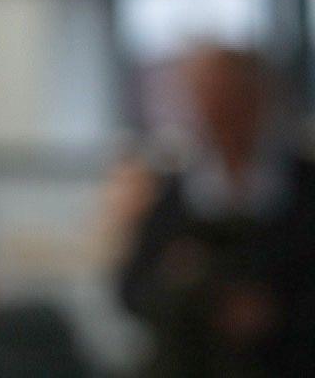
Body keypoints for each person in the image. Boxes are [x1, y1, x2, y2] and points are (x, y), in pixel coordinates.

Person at [119, 45, 315, 377]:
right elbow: (132, 290)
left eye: (231, 97)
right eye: (207, 98)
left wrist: (274, 312)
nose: (218, 111)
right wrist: (184, 287)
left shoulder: (303, 189)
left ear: (259, 99)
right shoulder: (175, 195)